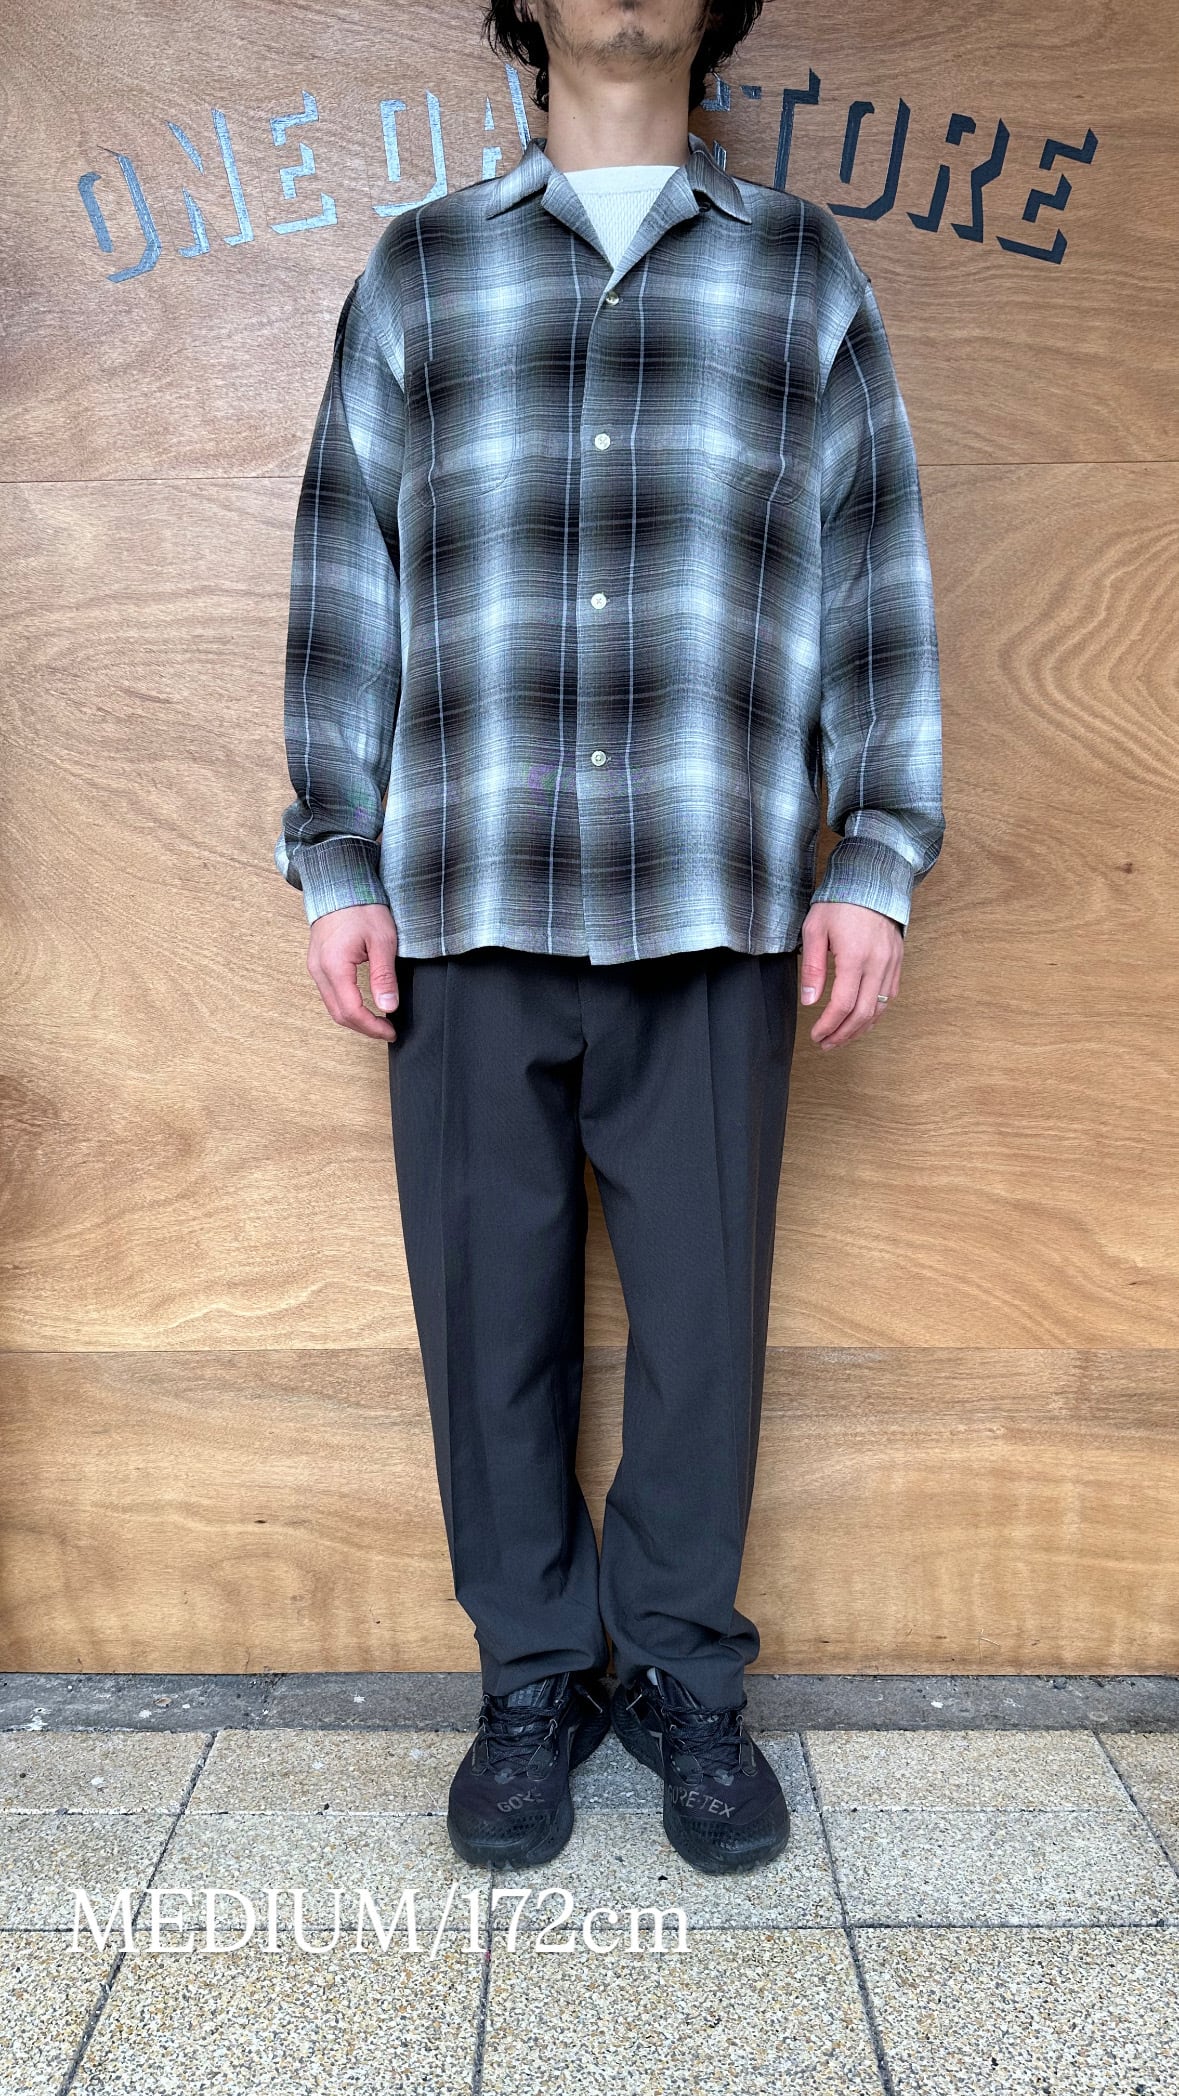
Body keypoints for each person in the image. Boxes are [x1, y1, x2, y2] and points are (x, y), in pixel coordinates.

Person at [273, 0, 945, 1880]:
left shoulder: (802, 273)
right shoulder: (422, 272)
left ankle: (683, 1682)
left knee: (704, 1330)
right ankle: (529, 1682)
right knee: (487, 1323)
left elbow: (876, 566)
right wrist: (337, 860)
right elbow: (345, 563)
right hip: (468, 890)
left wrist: (876, 853)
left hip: (716, 892)